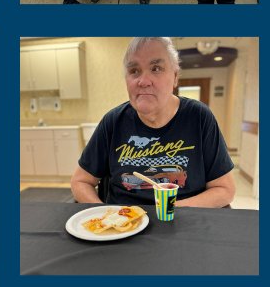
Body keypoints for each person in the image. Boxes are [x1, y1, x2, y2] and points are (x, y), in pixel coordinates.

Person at [71, 37, 236, 207]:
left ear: (175, 77)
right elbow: (80, 182)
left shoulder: (199, 117)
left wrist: (168, 208)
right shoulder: (113, 121)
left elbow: (224, 190)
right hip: (125, 225)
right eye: (134, 71)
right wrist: (106, 216)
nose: (143, 81)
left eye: (156, 68)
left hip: (184, 222)